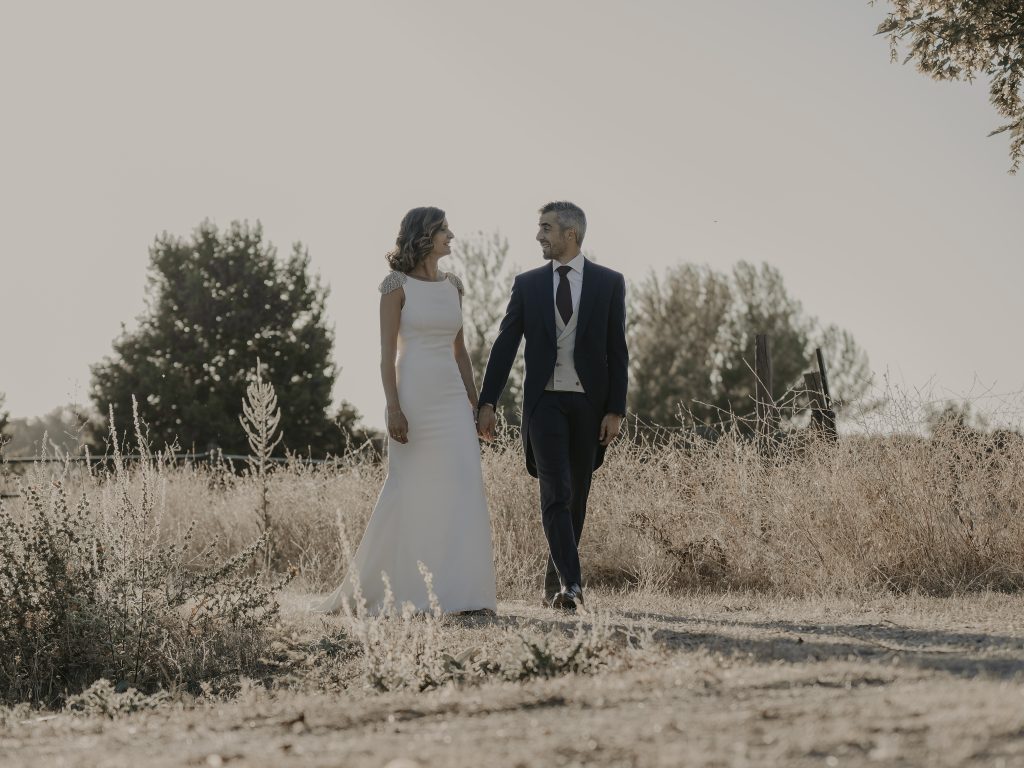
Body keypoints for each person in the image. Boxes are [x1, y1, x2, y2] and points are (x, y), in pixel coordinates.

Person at [318, 207, 497, 616]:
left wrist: (477, 405)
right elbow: (385, 356)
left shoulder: (454, 284)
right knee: (412, 489)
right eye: (444, 230)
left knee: (464, 484)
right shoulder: (394, 285)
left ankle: (464, 595)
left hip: (452, 398)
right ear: (425, 235)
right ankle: (399, 589)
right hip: (413, 397)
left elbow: (460, 351)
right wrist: (393, 408)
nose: (451, 236)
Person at [477, 201, 628, 612]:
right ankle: (573, 585)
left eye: (546, 228)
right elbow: (506, 343)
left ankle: (555, 582)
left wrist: (616, 409)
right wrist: (487, 400)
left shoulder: (608, 282)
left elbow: (618, 349)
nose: (539, 236)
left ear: (570, 234)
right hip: (543, 403)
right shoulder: (527, 285)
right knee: (555, 490)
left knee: (576, 495)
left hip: (589, 405)